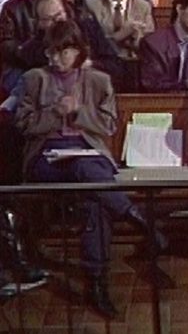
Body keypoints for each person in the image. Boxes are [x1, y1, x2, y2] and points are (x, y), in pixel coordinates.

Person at [16, 20, 165, 318]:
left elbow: (108, 126)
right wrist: (54, 114)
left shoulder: (98, 80)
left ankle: (96, 283)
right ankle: (135, 217)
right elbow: (23, 124)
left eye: (62, 52)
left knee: (93, 197)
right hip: (46, 158)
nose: (55, 59)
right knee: (88, 173)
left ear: (78, 51)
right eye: (51, 52)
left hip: (89, 154)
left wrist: (78, 112)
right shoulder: (34, 79)